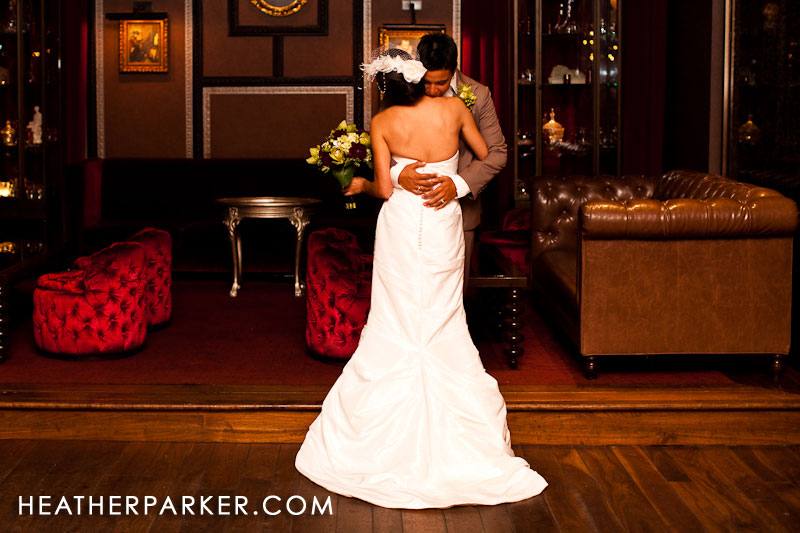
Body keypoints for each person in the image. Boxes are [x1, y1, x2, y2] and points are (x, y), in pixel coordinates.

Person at [294, 50, 547, 509]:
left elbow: (385, 189)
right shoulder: (455, 110)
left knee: (395, 314)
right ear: (417, 77)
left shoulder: (384, 121)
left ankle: (379, 431)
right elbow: (484, 153)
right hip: (443, 221)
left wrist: (368, 183)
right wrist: (444, 175)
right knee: (443, 312)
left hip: (403, 221)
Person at [393, 33, 507, 282]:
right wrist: (398, 173)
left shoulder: (478, 94)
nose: (433, 90)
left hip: (460, 214)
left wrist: (457, 185)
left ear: (454, 69)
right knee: (407, 289)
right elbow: (384, 140)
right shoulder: (403, 90)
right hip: (406, 213)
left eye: (441, 83)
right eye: (427, 83)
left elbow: (497, 153)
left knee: (453, 292)